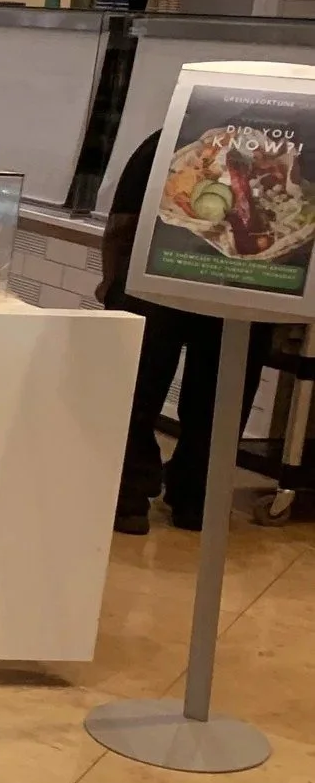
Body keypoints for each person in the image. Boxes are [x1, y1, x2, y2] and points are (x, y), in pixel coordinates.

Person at [102, 130, 272, 534]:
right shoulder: (282, 148)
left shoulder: (172, 136)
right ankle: (192, 498)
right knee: (213, 396)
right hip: (237, 284)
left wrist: (115, 284)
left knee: (141, 388)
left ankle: (135, 494)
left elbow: (121, 220)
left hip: (157, 278)